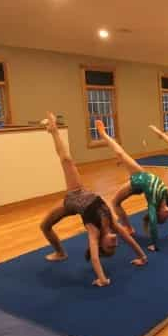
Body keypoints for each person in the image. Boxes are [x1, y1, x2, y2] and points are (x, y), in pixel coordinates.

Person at [40, 112, 147, 287]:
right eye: (115, 246)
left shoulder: (94, 232)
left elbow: (95, 258)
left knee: (66, 160)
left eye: (110, 246)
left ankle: (54, 130)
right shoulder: (111, 223)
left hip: (74, 196)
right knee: (45, 225)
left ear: (100, 244)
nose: (115, 242)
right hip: (80, 194)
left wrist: (102, 279)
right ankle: (61, 253)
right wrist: (142, 256)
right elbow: (129, 239)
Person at [95, 120, 168, 252]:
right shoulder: (165, 198)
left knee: (120, 155)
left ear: (158, 213)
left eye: (165, 216)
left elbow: (153, 224)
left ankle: (103, 134)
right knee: (115, 202)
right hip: (140, 180)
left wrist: (155, 245)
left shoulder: (154, 203)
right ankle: (129, 228)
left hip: (138, 180)